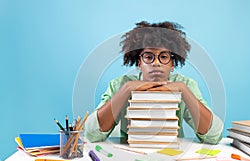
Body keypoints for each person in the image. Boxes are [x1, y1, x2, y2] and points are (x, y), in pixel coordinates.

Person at [85, 21, 223, 144]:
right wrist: (126, 89)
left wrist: (184, 91)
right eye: (148, 57)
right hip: (130, 153)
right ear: (139, 63)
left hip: (171, 155)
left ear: (172, 63)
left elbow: (213, 136)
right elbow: (91, 135)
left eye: (163, 57)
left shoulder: (185, 84)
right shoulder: (120, 84)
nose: (156, 63)